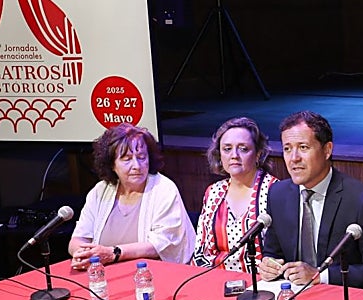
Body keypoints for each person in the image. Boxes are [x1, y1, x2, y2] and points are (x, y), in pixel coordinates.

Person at [257, 110, 363, 289]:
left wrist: (321, 276)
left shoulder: (361, 199)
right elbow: (273, 253)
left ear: (327, 150)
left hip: (342, 298)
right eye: (287, 149)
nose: (294, 158)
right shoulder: (278, 194)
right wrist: (270, 265)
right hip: (292, 295)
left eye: (303, 147)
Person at [69, 123, 196, 270]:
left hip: (152, 274)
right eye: (127, 159)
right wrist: (84, 254)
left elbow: (160, 245)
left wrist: (113, 253)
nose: (137, 165)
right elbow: (77, 239)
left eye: (142, 157)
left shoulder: (164, 188)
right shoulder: (100, 191)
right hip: (104, 274)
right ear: (112, 164)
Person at [191, 117, 278, 273]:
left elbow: (284, 252)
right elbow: (201, 250)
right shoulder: (213, 192)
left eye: (243, 149)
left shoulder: (274, 190)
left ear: (258, 154)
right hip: (217, 278)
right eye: (227, 149)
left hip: (261, 281)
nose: (234, 155)